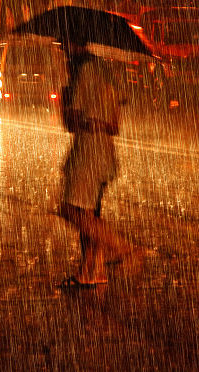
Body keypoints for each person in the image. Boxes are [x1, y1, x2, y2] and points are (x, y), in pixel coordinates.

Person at [57, 48, 138, 287]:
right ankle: (91, 270)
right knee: (90, 214)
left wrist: (65, 100)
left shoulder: (84, 72)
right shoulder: (107, 72)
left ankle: (122, 248)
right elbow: (115, 125)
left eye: (64, 45)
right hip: (105, 153)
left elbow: (71, 122)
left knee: (72, 210)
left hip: (88, 151)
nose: (62, 50)